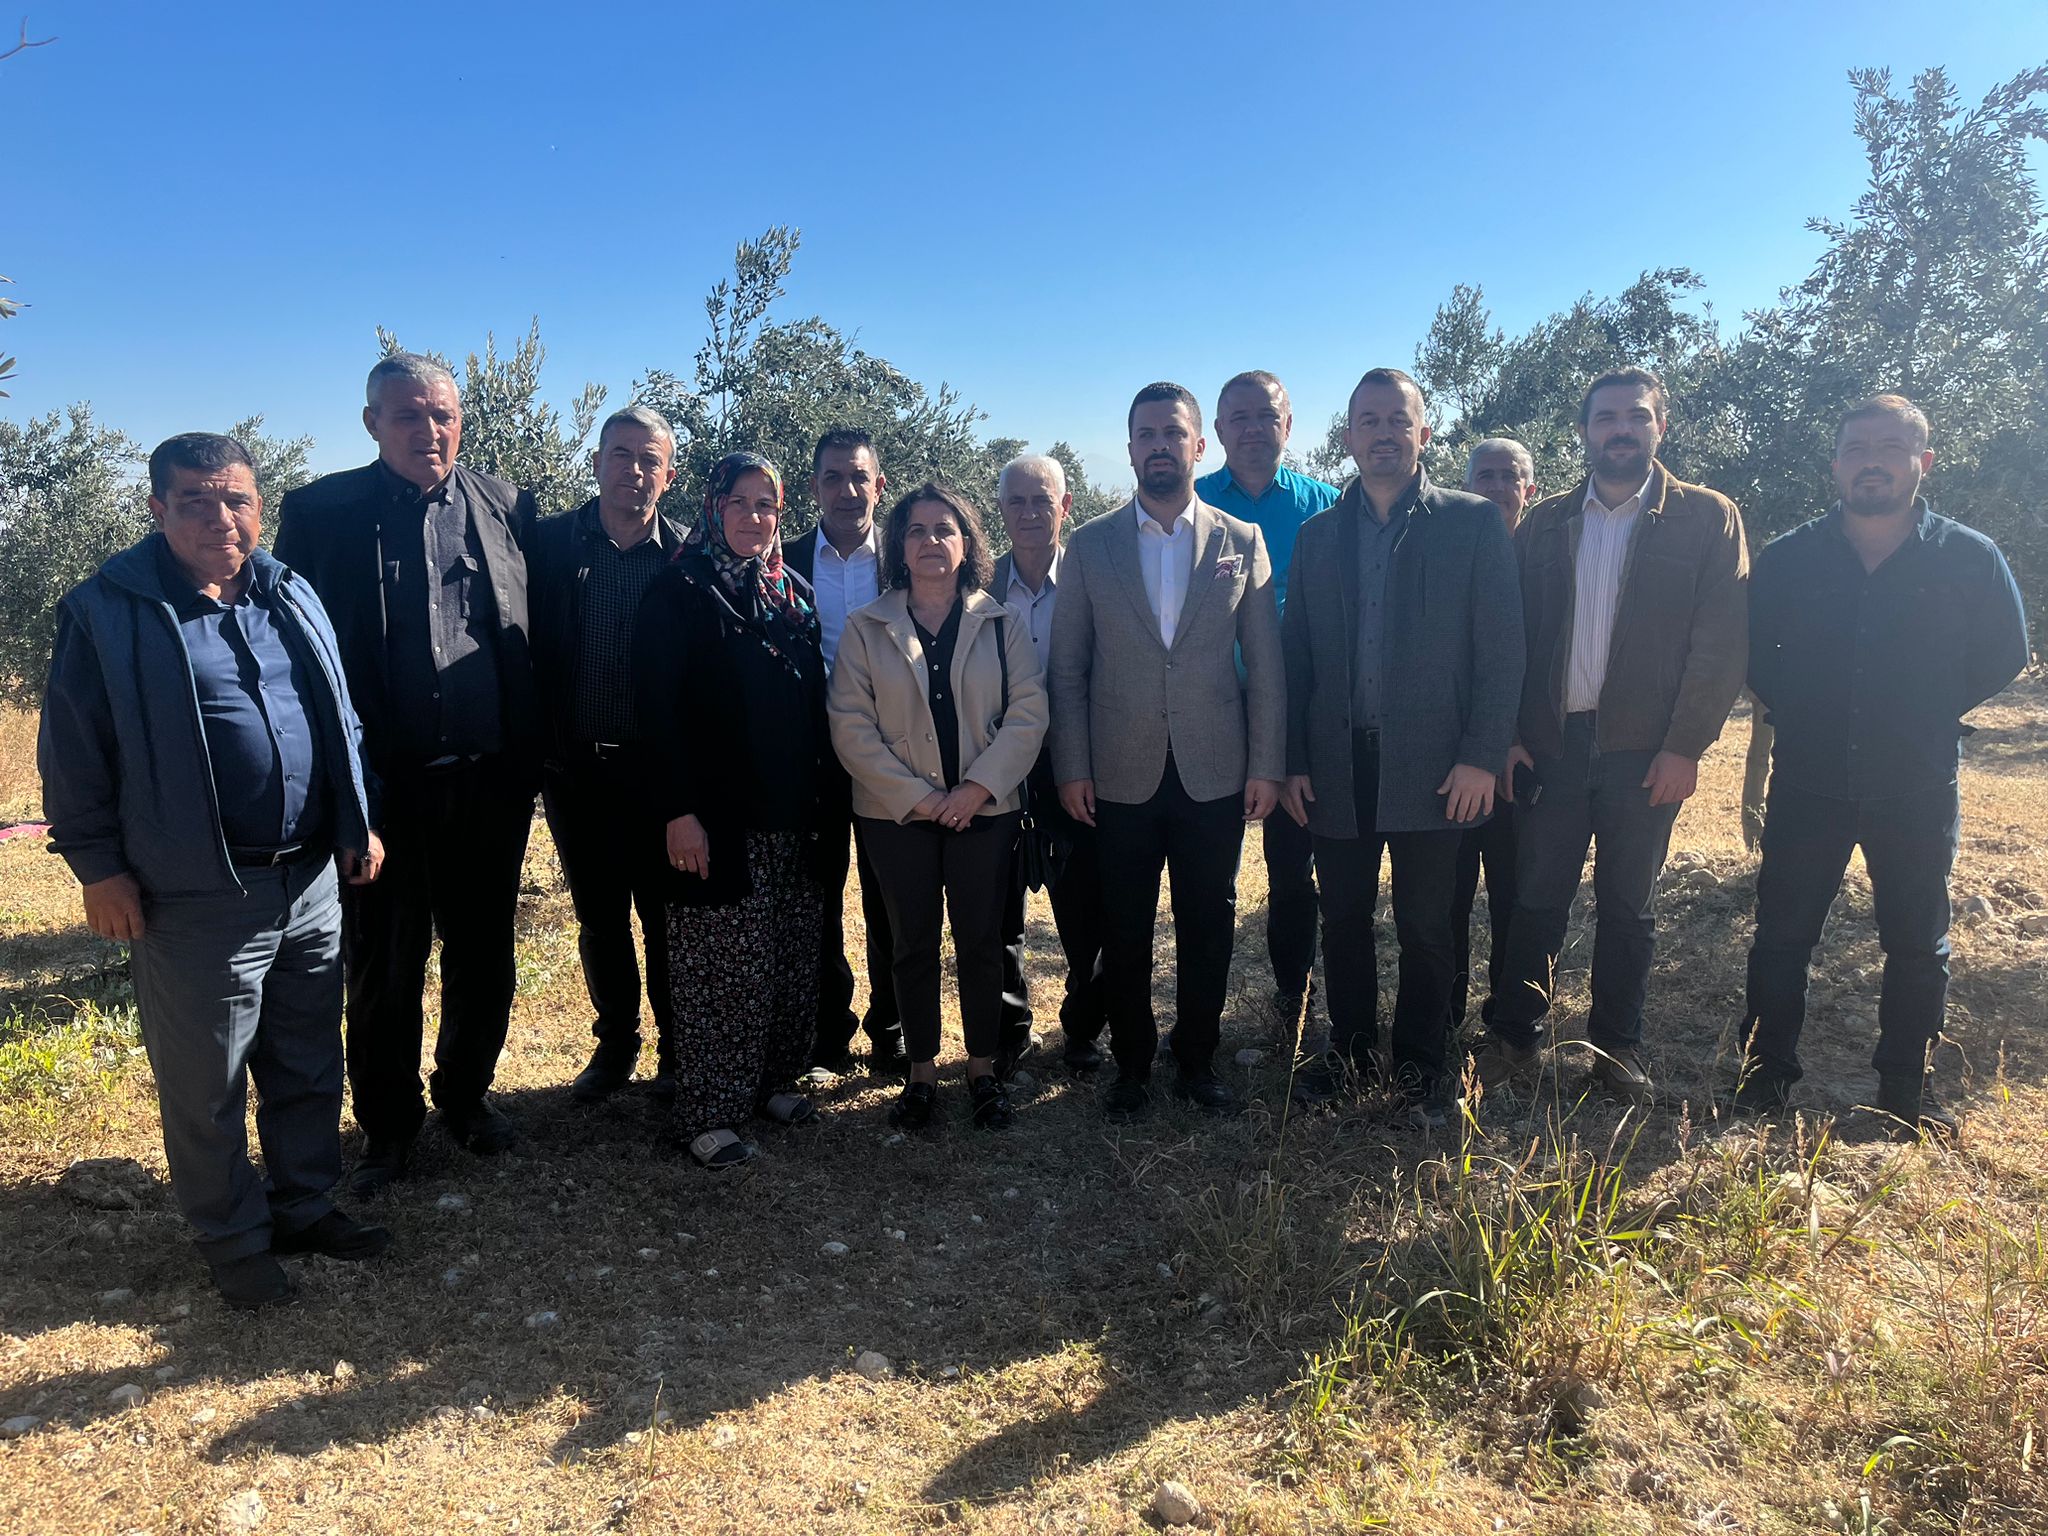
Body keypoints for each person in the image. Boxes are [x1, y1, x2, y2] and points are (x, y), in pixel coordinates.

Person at [40, 433, 389, 1308]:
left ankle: (305, 1204)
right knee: (207, 1081)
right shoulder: (108, 610)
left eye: (235, 498)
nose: (219, 518)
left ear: (258, 505)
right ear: (156, 509)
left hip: (308, 878)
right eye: (195, 500)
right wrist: (98, 869)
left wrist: (356, 819)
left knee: (308, 1059)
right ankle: (232, 1238)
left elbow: (337, 716)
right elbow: (74, 755)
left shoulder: (288, 590)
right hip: (194, 889)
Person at [274, 353, 541, 1193]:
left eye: (443, 415)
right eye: (408, 415)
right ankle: (388, 1129)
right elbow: (296, 658)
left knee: (483, 952)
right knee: (384, 966)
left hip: (489, 780)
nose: (429, 430)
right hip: (382, 788)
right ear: (372, 424)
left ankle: (467, 1098)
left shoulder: (506, 504)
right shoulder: (319, 514)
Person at [1735, 394, 2029, 1134]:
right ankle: (1763, 1082)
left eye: (1891, 448)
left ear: (1922, 463)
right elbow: (1756, 657)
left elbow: (2006, 654)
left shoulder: (1969, 556)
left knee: (1917, 943)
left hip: (1916, 783)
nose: (1873, 461)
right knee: (1781, 936)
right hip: (1808, 781)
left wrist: (1925, 707)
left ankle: (1902, 1091)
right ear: (1836, 463)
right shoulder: (1789, 559)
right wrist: (1806, 710)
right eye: (1858, 447)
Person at [1484, 368, 1750, 1100]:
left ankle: (1616, 1052)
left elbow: (1721, 643)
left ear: (1660, 426)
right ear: (1586, 431)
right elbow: (1510, 639)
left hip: (1645, 752)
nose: (1620, 429)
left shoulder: (1707, 518)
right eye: (1606, 418)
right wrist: (1509, 734)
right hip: (1552, 746)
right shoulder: (1545, 524)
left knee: (1629, 907)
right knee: (1536, 901)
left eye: (1636, 416)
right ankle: (1513, 1041)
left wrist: (1685, 746)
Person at [1280, 374, 1524, 1122]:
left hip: (1437, 764)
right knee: (1344, 918)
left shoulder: (1473, 523)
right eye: (1367, 420)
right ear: (1347, 436)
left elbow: (1502, 648)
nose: (1382, 433)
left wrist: (1483, 754)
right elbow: (1298, 657)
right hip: (1337, 765)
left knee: (1428, 925)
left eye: (1398, 420)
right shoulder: (1319, 536)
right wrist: (1291, 759)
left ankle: (1424, 1067)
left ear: (1424, 434)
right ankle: (1349, 1056)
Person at [1049, 381, 1286, 1122]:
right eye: (1145, 434)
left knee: (1208, 922)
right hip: (1118, 772)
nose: (1159, 445)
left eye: (1172, 433)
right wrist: (1073, 766)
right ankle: (1132, 1065)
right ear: (1129, 450)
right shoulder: (1088, 547)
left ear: (1197, 445)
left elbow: (1267, 666)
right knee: (1123, 926)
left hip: (1214, 769)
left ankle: (1197, 1060)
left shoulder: (1240, 541)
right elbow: (1068, 669)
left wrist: (1267, 764)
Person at [632, 453, 839, 1169]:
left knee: (786, 953)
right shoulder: (679, 593)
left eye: (768, 506)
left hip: (793, 811)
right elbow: (655, 716)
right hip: (715, 818)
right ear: (714, 506)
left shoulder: (793, 593)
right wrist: (677, 812)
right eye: (741, 502)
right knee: (720, 968)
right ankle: (708, 1110)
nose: (755, 517)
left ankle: (772, 1082)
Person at [830, 482, 1049, 1131]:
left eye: (944, 529)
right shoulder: (866, 627)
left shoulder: (1002, 621)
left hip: (986, 810)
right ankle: (921, 1074)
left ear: (967, 542)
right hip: (895, 816)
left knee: (983, 940)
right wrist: (923, 799)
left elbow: (1029, 713)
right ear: (899, 544)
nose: (931, 541)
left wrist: (975, 790)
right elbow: (850, 725)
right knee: (912, 943)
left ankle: (982, 1069)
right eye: (918, 530)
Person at [528, 405, 684, 1103]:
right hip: (575, 768)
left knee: (665, 915)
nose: (634, 470)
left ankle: (680, 1053)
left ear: (669, 476)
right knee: (599, 915)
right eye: (621, 455)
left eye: (650, 460)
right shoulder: (548, 545)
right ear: (596, 463)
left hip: (657, 775)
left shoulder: (686, 558)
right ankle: (616, 1043)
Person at [1195, 371, 1340, 1042]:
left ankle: (1293, 999)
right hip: (1210, 714)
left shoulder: (1328, 508)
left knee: (1292, 867)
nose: (1253, 428)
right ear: (1218, 432)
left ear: (1289, 425)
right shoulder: (1187, 507)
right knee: (1208, 871)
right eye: (1239, 417)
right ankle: (1200, 1011)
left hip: (1299, 719)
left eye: (1266, 416)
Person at [782, 428, 906, 1075]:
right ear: (813, 489)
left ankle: (893, 1028)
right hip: (814, 760)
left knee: (892, 897)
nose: (847, 490)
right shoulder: (784, 560)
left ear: (879, 485)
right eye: (833, 477)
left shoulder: (909, 561)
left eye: (859, 477)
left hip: (895, 757)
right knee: (819, 900)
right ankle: (829, 1032)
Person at [992, 454, 1109, 1076]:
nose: (1030, 513)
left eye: (1043, 500)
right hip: (998, 767)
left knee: (1086, 906)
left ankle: (1084, 1028)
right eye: (1017, 501)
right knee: (1000, 905)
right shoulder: (977, 582)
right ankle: (1010, 1031)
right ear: (1002, 509)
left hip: (1078, 763)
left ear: (1066, 506)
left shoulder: (1097, 577)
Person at [1450, 437, 1539, 1027]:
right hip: (1455, 759)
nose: (1498, 487)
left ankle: (1511, 1015)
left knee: (1516, 896)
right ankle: (1444, 1012)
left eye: (1510, 477)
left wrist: (1516, 738)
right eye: (1485, 476)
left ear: (1530, 490)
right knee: (1449, 899)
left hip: (1529, 764)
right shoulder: (1450, 555)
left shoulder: (1550, 560)